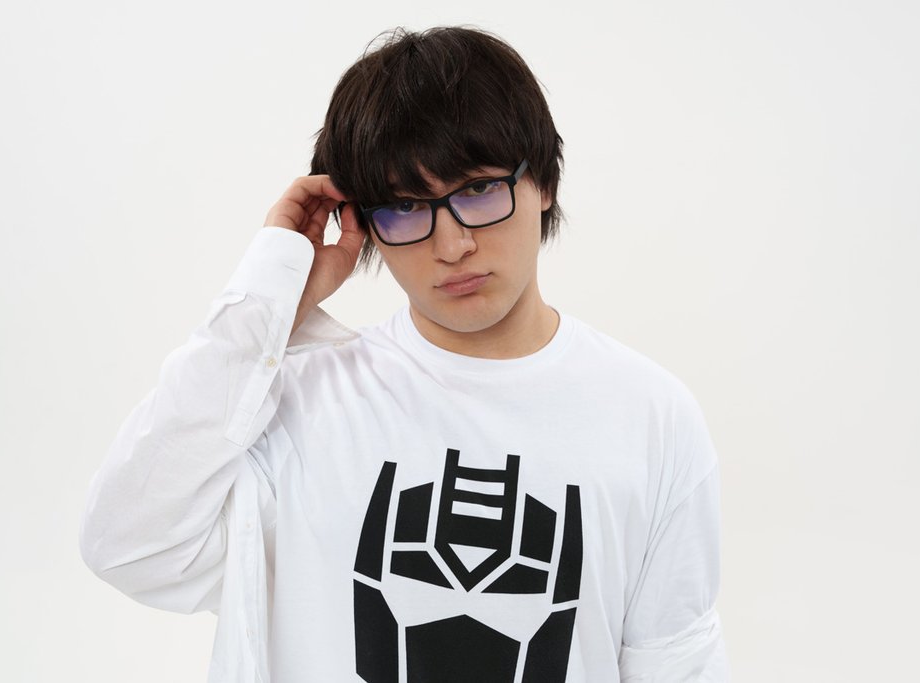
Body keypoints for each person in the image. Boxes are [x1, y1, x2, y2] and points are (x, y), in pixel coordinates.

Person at [79, 25, 729, 682]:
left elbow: (678, 666)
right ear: (362, 223)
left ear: (544, 182)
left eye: (478, 190)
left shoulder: (650, 416)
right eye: (407, 206)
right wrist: (267, 302)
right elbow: (127, 545)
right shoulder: (297, 404)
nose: (451, 245)